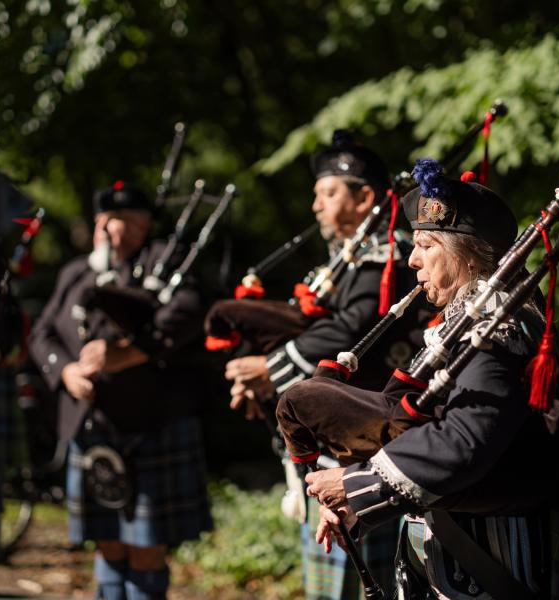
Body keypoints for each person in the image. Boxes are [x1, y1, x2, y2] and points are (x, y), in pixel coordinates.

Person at [292, 158, 559, 599]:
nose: (412, 258)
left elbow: (465, 440)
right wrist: (358, 503)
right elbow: (419, 425)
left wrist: (354, 485)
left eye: (425, 245)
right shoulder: (464, 320)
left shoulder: (496, 328)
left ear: (464, 253)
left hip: (502, 551)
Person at [224, 132, 430, 600]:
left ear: (365, 198)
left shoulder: (390, 256)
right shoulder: (346, 260)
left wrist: (269, 370)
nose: (315, 206)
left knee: (365, 583)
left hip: (370, 445)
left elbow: (350, 329)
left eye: (328, 193)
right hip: (341, 441)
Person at [29, 182, 212, 600]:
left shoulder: (166, 263)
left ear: (145, 226)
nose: (114, 230)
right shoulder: (77, 272)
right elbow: (42, 334)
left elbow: (188, 313)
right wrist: (67, 372)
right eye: (107, 221)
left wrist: (130, 353)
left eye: (128, 222)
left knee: (146, 546)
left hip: (152, 422)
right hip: (91, 427)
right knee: (107, 542)